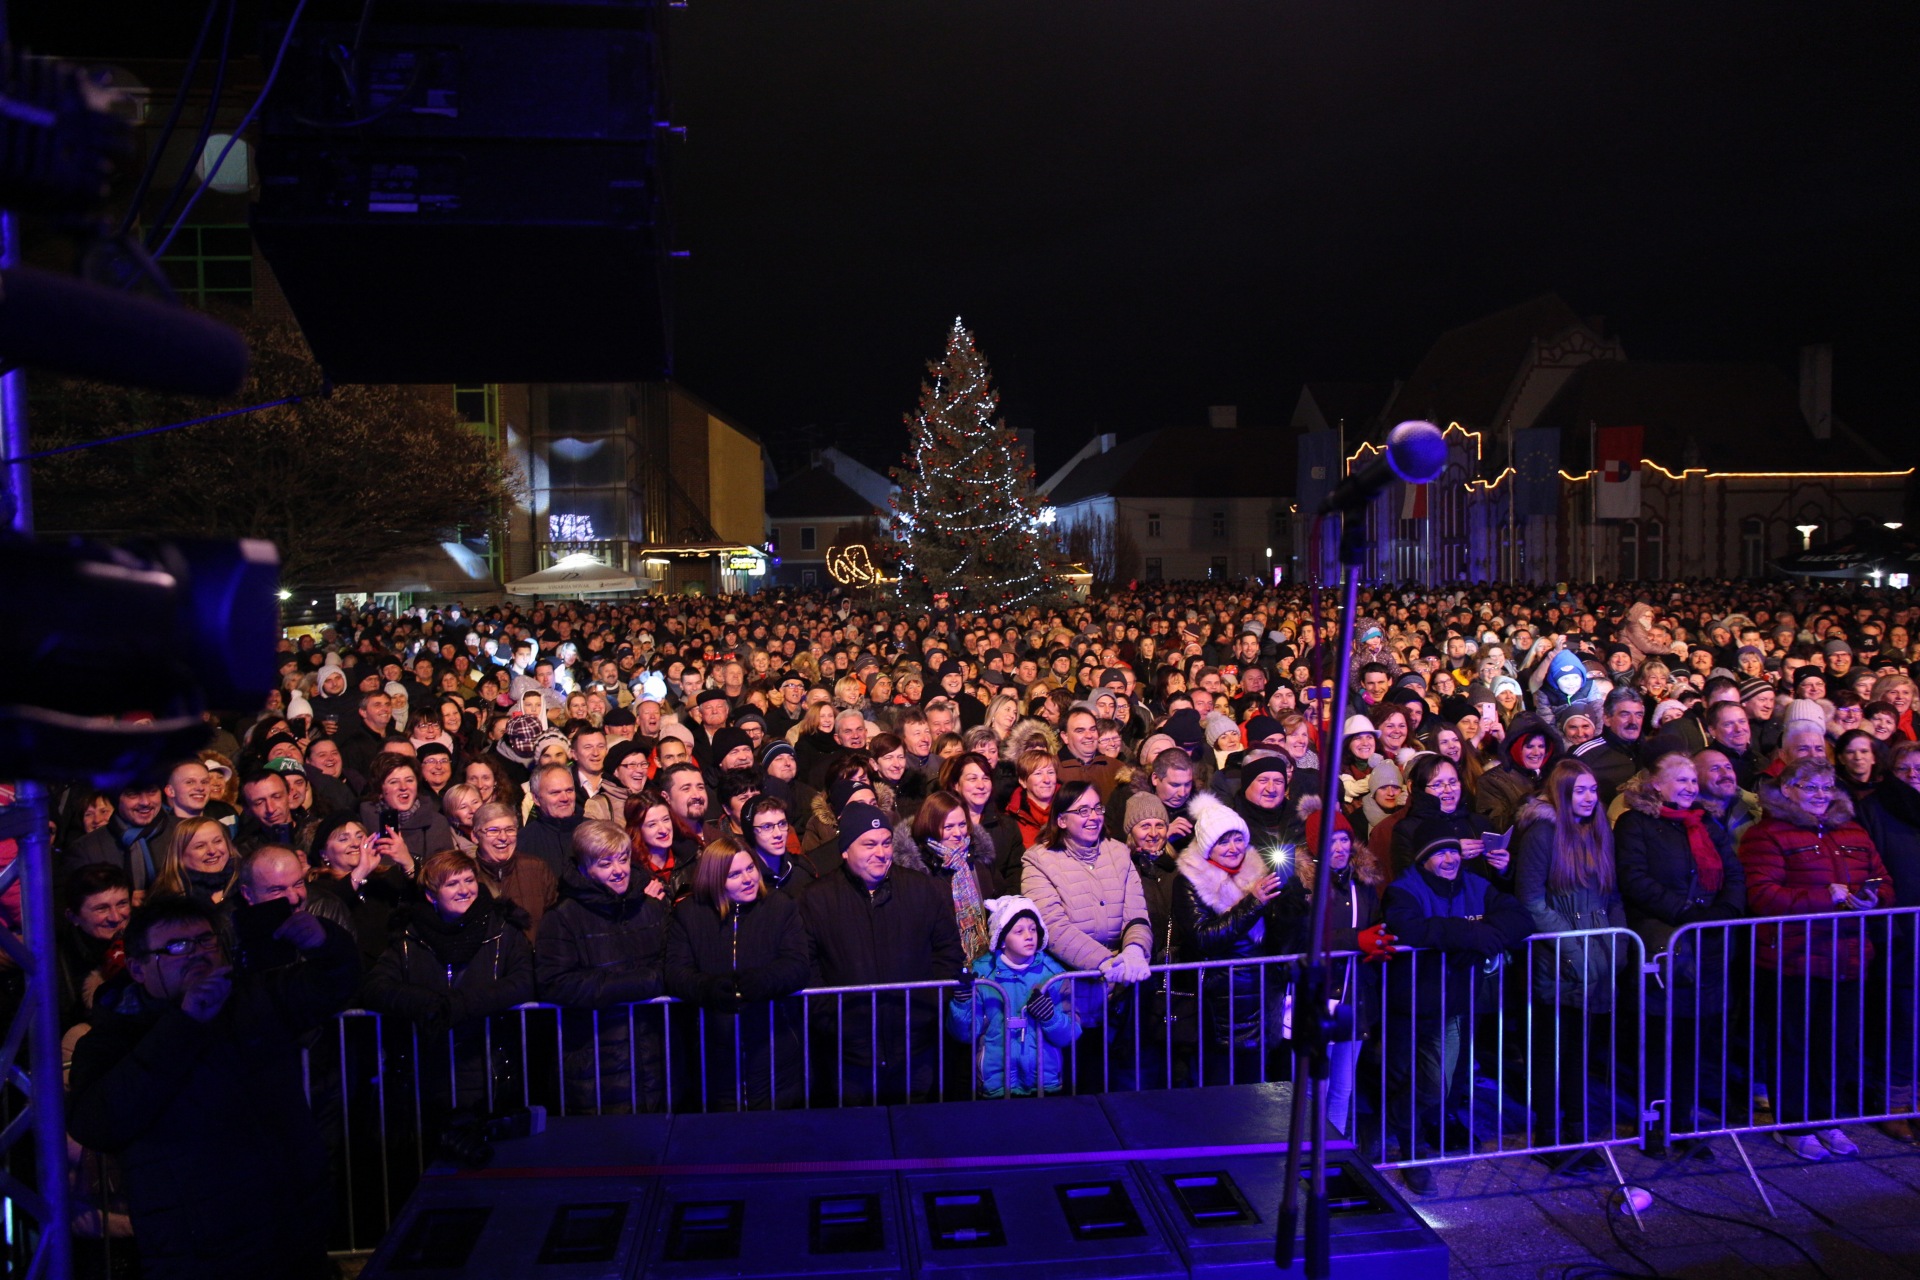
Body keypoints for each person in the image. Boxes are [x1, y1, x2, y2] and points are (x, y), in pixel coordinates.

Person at [67, 894, 359, 1280]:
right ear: (137, 969)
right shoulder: (110, 1039)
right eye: (176, 946)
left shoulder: (252, 997)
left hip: (291, 1228)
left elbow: (335, 985)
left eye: (205, 940)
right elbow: (98, 1123)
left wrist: (326, 941)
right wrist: (184, 1024)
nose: (197, 953)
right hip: (198, 1247)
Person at [1737, 758, 1892, 1161]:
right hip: (1793, 957)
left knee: (1837, 1042)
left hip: (1848, 955)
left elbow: (1883, 880)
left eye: (1826, 787)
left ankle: (1826, 1119)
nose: (1821, 795)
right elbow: (1763, 895)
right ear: (1787, 790)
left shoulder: (1853, 831)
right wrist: (1827, 897)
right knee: (1793, 1044)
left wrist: (1874, 898)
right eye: (1810, 787)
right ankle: (1792, 1124)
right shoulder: (1766, 834)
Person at [1381, 837, 1532, 1193]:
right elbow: (1411, 928)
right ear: (1423, 858)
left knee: (1435, 1087)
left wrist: (1485, 937)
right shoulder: (1404, 889)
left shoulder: (1475, 884)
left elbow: (1520, 919)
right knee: (1405, 1078)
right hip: (1409, 1004)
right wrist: (1470, 934)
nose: (1449, 859)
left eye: (1453, 852)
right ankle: (1412, 1152)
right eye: (1439, 852)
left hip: (1452, 1005)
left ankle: (1393, 1124)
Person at [798, 801, 965, 1103]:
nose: (881, 852)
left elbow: (948, 952)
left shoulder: (923, 889)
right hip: (849, 1053)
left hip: (916, 1045)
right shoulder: (816, 899)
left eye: (886, 843)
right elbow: (808, 968)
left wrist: (932, 1005)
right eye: (869, 844)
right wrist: (832, 1021)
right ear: (845, 849)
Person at [360, 850, 537, 1124]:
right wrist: (430, 1005)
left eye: (468, 880)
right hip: (429, 1071)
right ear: (431, 895)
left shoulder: (503, 931)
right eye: (452, 884)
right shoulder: (409, 937)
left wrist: (462, 1005)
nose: (464, 890)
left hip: (489, 1066)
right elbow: (376, 987)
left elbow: (523, 981)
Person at [1512, 760, 1626, 1169]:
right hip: (1558, 956)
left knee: (1582, 1049)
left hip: (1599, 952)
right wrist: (1572, 947)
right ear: (1562, 793)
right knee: (1554, 1049)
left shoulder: (1598, 831)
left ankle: (1577, 1129)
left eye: (1593, 790)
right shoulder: (1542, 832)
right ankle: (1550, 1134)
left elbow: (1611, 894)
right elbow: (1530, 899)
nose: (1590, 798)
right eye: (1580, 791)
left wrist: (1619, 944)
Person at [665, 836, 813, 1109]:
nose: (747, 879)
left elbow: (798, 963)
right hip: (714, 1052)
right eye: (734, 874)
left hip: (774, 1047)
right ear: (715, 879)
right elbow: (676, 971)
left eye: (750, 869)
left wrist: (761, 982)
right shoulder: (689, 913)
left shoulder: (781, 907)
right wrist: (708, 988)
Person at [535, 820, 670, 1113]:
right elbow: (555, 983)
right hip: (593, 1058)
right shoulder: (563, 917)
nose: (619, 870)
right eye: (605, 863)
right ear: (584, 867)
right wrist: (642, 983)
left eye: (623, 859)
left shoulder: (649, 908)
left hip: (654, 1052)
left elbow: (673, 964)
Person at [1277, 808, 1392, 1135]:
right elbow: (1299, 936)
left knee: (1342, 1086)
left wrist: (1379, 943)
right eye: (1330, 841)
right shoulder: (1301, 886)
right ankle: (1303, 1152)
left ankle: (1335, 1154)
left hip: (1353, 995)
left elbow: (1374, 924)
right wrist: (1356, 940)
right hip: (1315, 995)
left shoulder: (1363, 883)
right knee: (1310, 1087)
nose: (1339, 848)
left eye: (1344, 840)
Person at [1172, 792, 1287, 1082]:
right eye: (1223, 841)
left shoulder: (1260, 872)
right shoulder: (1190, 881)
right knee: (1221, 1095)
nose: (1233, 847)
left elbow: (1278, 936)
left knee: (1259, 1092)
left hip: (1262, 1002)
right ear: (1207, 846)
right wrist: (1252, 904)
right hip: (1220, 1007)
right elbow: (1203, 937)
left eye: (1238, 838)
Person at [946, 895, 1083, 1098]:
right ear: (1001, 940)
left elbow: (1071, 1033)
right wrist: (962, 1001)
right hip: (996, 1083)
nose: (1029, 936)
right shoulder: (983, 975)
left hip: (1045, 1082)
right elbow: (965, 1034)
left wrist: (1050, 1017)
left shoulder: (1054, 975)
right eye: (1019, 931)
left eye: (1033, 929)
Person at [894, 789, 1004, 965]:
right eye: (948, 827)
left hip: (986, 966)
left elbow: (999, 901)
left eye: (962, 825)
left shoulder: (978, 860)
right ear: (930, 826)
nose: (958, 833)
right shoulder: (917, 872)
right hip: (940, 968)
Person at [469, 801, 560, 939]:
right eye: (493, 831)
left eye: (510, 830)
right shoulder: (466, 875)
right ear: (475, 836)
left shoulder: (537, 868)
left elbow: (555, 925)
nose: (503, 838)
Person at [57, 863, 132, 1029]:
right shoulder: (56, 962)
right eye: (102, 908)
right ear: (73, 916)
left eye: (122, 904)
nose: (115, 917)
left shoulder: (147, 942)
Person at [357, 756, 453, 872]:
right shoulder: (364, 819)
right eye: (394, 782)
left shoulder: (436, 823)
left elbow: (445, 876)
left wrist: (408, 862)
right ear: (380, 790)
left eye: (409, 780)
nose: (403, 787)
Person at [149, 816, 239, 906]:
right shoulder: (167, 899)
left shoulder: (246, 881)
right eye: (200, 846)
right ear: (180, 855)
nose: (212, 851)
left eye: (217, 841)